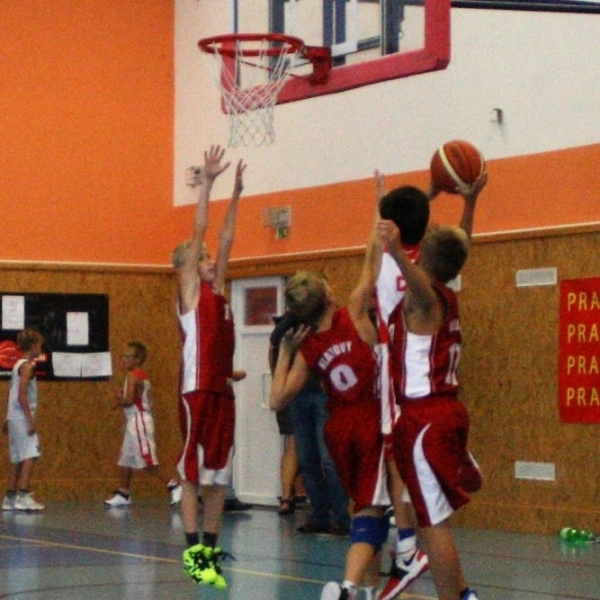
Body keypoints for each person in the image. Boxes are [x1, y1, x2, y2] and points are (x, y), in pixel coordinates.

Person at [270, 196, 391, 600]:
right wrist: (379, 211)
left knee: (365, 505)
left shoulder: (307, 347)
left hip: (339, 429)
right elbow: (371, 260)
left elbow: (276, 399)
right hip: (371, 420)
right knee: (376, 508)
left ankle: (370, 590)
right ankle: (351, 586)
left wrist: (285, 353)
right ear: (328, 296)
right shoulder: (352, 312)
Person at [374, 172, 487, 600]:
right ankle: (463, 594)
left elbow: (420, 284)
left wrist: (395, 251)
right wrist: (469, 203)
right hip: (446, 412)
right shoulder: (448, 288)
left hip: (424, 418)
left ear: (422, 258)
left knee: (432, 524)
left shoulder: (425, 300)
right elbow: (460, 248)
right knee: (434, 517)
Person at [171, 145, 246, 590]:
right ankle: (193, 552)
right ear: (187, 266)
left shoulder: (219, 291)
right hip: (195, 391)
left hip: (221, 391)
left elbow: (226, 239)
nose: (210, 260)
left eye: (209, 258)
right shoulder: (190, 292)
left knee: (219, 476)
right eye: (201, 258)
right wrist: (209, 186)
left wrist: (236, 194)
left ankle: (211, 552)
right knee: (193, 475)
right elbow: (201, 230)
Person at [270, 310, 350, 533]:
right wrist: (293, 318)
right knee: (307, 459)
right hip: (298, 394)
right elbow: (275, 339)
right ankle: (319, 515)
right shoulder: (294, 319)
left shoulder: (327, 319)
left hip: (323, 394)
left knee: (329, 459)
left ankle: (341, 517)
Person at [104, 340, 182, 508]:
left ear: (138, 359)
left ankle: (174, 484)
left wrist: (118, 400)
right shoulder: (139, 376)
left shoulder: (133, 376)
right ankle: (123, 493)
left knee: (147, 461)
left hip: (139, 420)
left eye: (128, 356)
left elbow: (129, 400)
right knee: (125, 459)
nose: (123, 359)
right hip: (134, 420)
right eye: (123, 356)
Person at [2, 329, 46, 512]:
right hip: (22, 417)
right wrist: (30, 419)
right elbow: (21, 395)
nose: (41, 349)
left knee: (18, 457)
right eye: (40, 346)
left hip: (14, 416)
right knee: (31, 454)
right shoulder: (27, 366)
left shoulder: (17, 365)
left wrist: (7, 417)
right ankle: (23, 494)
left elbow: (11, 393)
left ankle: (10, 497)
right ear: (34, 346)